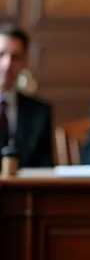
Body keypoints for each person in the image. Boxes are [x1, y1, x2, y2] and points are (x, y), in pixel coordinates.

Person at [0, 23, 54, 169]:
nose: (7, 64)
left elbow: (45, 167)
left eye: (15, 57)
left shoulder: (40, 112)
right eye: (1, 54)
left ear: (24, 62)